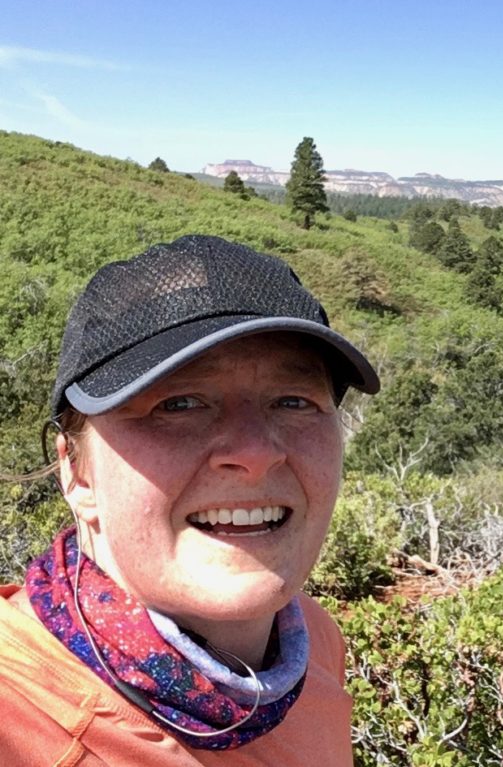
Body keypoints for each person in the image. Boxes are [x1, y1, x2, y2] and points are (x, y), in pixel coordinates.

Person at [0, 235, 379, 765]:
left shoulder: (314, 643)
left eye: (293, 401)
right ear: (77, 471)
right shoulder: (18, 722)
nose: (255, 453)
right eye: (178, 404)